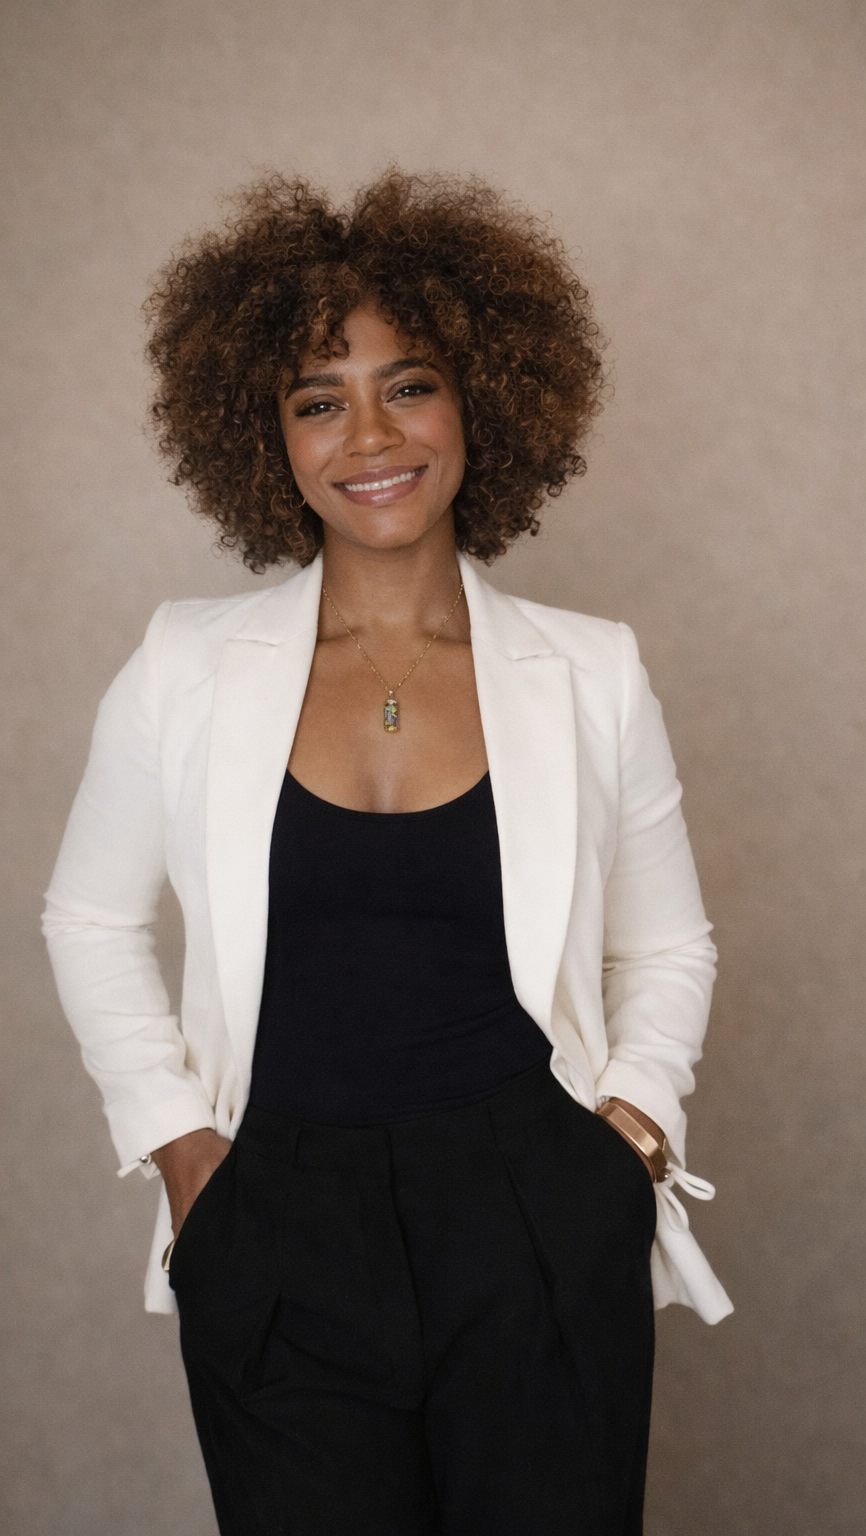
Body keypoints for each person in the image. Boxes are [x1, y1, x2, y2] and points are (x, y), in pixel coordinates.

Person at [43, 171, 732, 1536]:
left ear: (482, 398)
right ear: (268, 436)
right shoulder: (185, 666)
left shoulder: (590, 672)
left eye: (408, 385)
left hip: (539, 1213)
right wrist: (184, 1153)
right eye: (318, 397)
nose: (369, 433)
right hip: (277, 1221)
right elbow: (88, 918)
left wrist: (629, 1142)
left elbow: (668, 943)